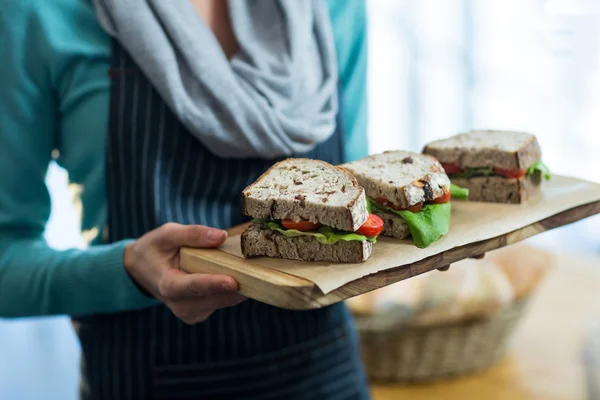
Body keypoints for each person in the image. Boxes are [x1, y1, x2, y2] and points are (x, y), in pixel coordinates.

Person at [0, 0, 370, 398]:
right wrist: (125, 271)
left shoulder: (333, 7)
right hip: (143, 379)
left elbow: (356, 193)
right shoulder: (36, 11)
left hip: (326, 375)